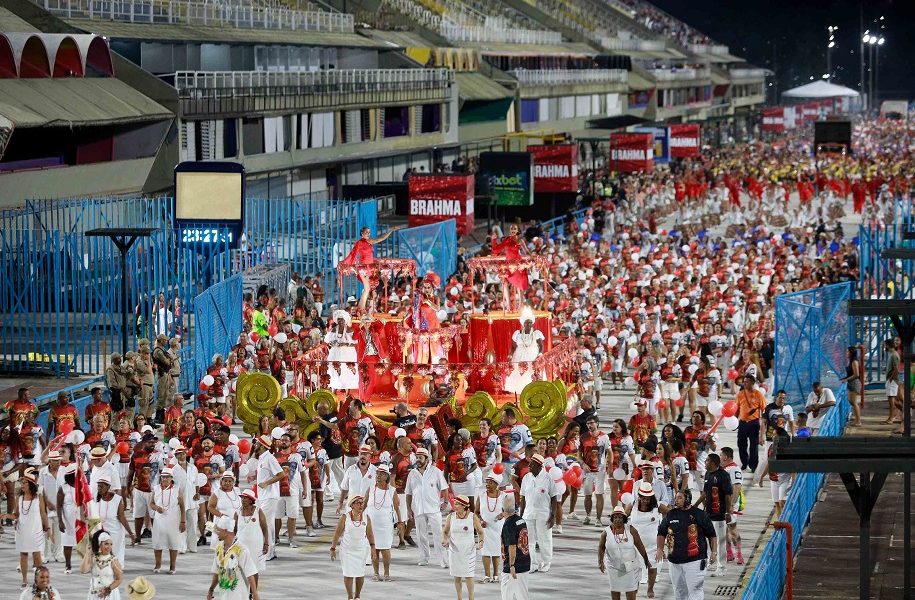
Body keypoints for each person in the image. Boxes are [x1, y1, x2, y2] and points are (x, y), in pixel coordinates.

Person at [656, 490, 718, 600]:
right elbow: (661, 532)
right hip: (674, 561)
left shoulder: (699, 514)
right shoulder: (671, 514)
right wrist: (660, 549)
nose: (676, 500)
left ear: (687, 499)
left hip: (695, 560)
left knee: (695, 590)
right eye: (676, 498)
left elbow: (712, 535)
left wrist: (714, 552)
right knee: (679, 591)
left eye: (679, 498)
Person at [3, 472, 52, 589]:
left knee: (37, 555)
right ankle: (24, 580)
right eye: (21, 482)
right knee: (23, 555)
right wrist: (7, 516)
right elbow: (17, 515)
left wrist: (48, 528)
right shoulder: (19, 497)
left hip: (36, 530)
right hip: (22, 531)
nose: (22, 484)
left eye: (24, 482)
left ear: (31, 484)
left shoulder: (38, 497)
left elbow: (43, 514)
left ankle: (38, 581)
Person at [340, 225, 401, 312]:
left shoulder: (369, 242)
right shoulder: (359, 243)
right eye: (366, 232)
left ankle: (361, 308)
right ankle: (361, 309)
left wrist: (391, 230)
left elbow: (381, 238)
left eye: (369, 232)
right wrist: (344, 263)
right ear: (362, 233)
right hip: (363, 269)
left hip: (370, 269)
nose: (368, 234)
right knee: (367, 288)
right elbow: (352, 254)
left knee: (367, 289)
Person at [406, 447, 448, 567]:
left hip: (434, 508)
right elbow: (408, 493)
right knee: (421, 535)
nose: (418, 460)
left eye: (420, 457)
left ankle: (443, 560)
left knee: (438, 534)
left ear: (426, 458)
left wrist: (445, 502)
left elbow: (444, 488)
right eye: (417, 457)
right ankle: (424, 558)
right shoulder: (412, 473)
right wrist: (409, 509)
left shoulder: (435, 471)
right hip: (418, 508)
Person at [598, 504, 651, 600]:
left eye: (620, 517)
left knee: (630, 592)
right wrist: (600, 561)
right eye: (615, 517)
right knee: (615, 591)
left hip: (630, 566)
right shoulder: (606, 533)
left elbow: (640, 545)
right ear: (612, 519)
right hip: (613, 567)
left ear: (624, 519)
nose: (617, 519)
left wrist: (646, 560)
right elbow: (601, 547)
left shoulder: (631, 530)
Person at [519, 453, 560, 573]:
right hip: (528, 514)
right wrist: (521, 515)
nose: (529, 466)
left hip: (544, 514)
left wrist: (552, 516)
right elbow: (522, 497)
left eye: (532, 464)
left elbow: (554, 498)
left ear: (538, 465)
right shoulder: (527, 477)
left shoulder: (548, 478)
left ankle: (546, 562)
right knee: (529, 541)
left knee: (544, 539)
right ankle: (532, 563)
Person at [330, 495, 376, 600]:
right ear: (352, 505)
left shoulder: (366, 518)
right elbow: (337, 534)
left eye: (362, 503)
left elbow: (370, 535)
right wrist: (333, 548)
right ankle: (350, 597)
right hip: (347, 550)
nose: (361, 505)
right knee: (348, 573)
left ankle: (357, 596)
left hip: (361, 549)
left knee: (360, 574)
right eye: (358, 503)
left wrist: (373, 548)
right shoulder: (344, 517)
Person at [693, 453, 731, 577]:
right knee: (707, 538)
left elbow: (727, 495)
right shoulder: (708, 474)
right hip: (707, 514)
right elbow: (705, 493)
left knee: (720, 541)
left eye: (707, 461)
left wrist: (728, 512)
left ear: (714, 463)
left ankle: (722, 567)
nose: (705, 463)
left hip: (719, 514)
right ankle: (711, 560)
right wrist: (695, 506)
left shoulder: (723, 475)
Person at [442, 495, 486, 600]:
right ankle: (459, 598)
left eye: (457, 504)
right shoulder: (450, 517)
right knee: (457, 576)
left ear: (464, 506)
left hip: (469, 551)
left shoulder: (473, 517)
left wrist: (481, 541)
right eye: (455, 503)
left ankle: (471, 598)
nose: (455, 505)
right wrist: (445, 540)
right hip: (454, 551)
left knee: (469, 576)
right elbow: (445, 531)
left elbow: (480, 532)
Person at [208, 515, 261, 600]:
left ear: (225, 531)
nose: (216, 532)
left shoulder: (241, 550)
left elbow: (250, 573)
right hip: (224, 596)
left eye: (218, 530)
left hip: (239, 596)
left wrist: (255, 594)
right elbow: (217, 571)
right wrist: (211, 589)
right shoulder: (218, 548)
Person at [364, 463, 402, 581]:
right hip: (372, 525)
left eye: (381, 474)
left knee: (385, 550)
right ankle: (375, 573)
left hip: (385, 526)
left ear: (386, 476)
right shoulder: (370, 489)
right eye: (377, 473)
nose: (378, 475)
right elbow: (363, 505)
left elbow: (397, 508)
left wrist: (400, 522)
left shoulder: (392, 491)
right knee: (374, 548)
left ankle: (386, 573)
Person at [254, 434, 286, 561]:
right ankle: (270, 550)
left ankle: (268, 552)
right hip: (263, 496)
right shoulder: (262, 458)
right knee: (268, 524)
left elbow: (281, 474)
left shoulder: (269, 458)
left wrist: (266, 483)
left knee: (265, 524)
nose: (255, 445)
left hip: (270, 496)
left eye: (257, 443)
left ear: (262, 446)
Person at [628, 481, 661, 598]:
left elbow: (671, 514)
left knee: (652, 567)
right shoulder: (632, 505)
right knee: (632, 569)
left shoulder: (658, 506)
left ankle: (650, 588)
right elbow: (621, 518)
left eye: (648, 498)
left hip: (651, 545)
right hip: (634, 544)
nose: (646, 500)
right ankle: (634, 588)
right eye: (644, 498)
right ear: (639, 496)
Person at [150, 467, 185, 574]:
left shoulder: (176, 489)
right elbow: (151, 504)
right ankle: (157, 565)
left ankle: (172, 566)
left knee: (173, 542)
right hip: (159, 519)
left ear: (171, 478)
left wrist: (183, 521)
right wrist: (157, 508)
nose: (164, 479)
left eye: (167, 477)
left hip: (173, 519)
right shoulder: (156, 488)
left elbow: (182, 506)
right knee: (157, 542)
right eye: (163, 477)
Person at [504, 310, 544, 394]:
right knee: (518, 372)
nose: (528, 324)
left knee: (531, 372)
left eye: (530, 323)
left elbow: (541, 346)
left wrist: (539, 355)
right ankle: (519, 390)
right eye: (526, 323)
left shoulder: (536, 333)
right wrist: (510, 355)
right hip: (519, 355)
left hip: (533, 355)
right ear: (523, 324)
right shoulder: (517, 334)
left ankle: (532, 390)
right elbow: (513, 347)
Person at [579, 415, 610, 525]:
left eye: (591, 423)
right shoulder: (583, 437)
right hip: (587, 471)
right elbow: (579, 454)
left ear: (597, 423)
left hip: (599, 471)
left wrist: (608, 466)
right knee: (587, 495)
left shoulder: (604, 437)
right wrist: (583, 464)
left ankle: (598, 519)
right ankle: (587, 516)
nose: (589, 425)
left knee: (599, 494)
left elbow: (609, 452)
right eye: (587, 424)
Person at [96, 476, 133, 567]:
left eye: (102, 486)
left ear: (108, 487)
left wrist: (131, 533)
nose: (99, 489)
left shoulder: (117, 499)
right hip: (101, 532)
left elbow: (122, 517)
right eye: (98, 486)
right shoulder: (96, 498)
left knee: (115, 555)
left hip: (115, 532)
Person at [477, 473, 506, 584]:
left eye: (491, 482)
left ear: (497, 484)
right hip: (485, 527)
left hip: (498, 527)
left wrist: (502, 514)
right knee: (485, 551)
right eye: (487, 482)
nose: (487, 484)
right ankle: (486, 575)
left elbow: (509, 510)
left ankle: (496, 575)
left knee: (496, 551)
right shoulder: (481, 495)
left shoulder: (503, 495)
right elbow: (476, 512)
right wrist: (480, 521)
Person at [499, 495, 530, 600]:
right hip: (525, 561)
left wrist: (512, 565)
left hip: (513, 566)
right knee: (522, 594)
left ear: (503, 509)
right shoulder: (521, 520)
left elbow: (512, 546)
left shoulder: (508, 524)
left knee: (507, 594)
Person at [735, 375, 766, 472]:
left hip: (754, 423)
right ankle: (744, 463)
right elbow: (736, 409)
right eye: (744, 382)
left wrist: (763, 425)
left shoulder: (758, 394)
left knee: (753, 446)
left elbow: (764, 409)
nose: (744, 383)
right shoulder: (740, 394)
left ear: (753, 383)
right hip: (743, 423)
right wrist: (735, 421)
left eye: (747, 382)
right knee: (741, 444)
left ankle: (753, 466)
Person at [81, 530, 124, 600]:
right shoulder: (93, 558)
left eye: (111, 544)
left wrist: (107, 590)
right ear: (99, 544)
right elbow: (83, 570)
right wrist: (87, 553)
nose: (109, 547)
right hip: (94, 594)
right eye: (106, 544)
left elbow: (119, 579)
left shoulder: (113, 560)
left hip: (109, 595)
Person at [720, 447, 744, 565]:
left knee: (732, 529)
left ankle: (739, 554)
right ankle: (729, 553)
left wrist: (732, 504)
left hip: (731, 503)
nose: (720, 458)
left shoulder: (734, 469)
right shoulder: (724, 469)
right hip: (723, 503)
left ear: (725, 457)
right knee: (724, 529)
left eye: (721, 456)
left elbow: (737, 487)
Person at [236, 490, 268, 579]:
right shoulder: (237, 512)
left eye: (245, 498)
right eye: (242, 498)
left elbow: (265, 528)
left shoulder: (258, 511)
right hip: (240, 545)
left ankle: (253, 592)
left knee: (254, 569)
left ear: (251, 500)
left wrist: (266, 543)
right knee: (240, 568)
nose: (243, 500)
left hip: (256, 545)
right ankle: (243, 591)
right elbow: (234, 530)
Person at [325, 311, 359, 392]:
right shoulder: (334, 329)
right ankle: (334, 390)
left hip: (347, 353)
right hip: (335, 353)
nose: (340, 321)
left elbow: (355, 342)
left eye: (342, 319)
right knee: (334, 369)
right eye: (339, 319)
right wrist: (334, 343)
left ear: (345, 320)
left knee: (347, 370)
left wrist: (346, 344)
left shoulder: (349, 329)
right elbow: (327, 340)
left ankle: (348, 392)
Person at [842, 346, 862, 427]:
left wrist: (846, 379)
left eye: (847, 352)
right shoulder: (850, 361)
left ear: (851, 353)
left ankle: (858, 421)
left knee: (854, 402)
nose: (846, 353)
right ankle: (857, 420)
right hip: (851, 382)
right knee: (852, 402)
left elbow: (856, 374)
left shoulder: (854, 362)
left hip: (854, 383)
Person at [884, 339, 900, 425]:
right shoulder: (892, 354)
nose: (884, 347)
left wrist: (890, 378)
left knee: (891, 401)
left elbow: (896, 369)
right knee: (892, 401)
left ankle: (890, 418)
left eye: (885, 345)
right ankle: (891, 417)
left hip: (892, 380)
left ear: (888, 345)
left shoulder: (893, 355)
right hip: (892, 380)